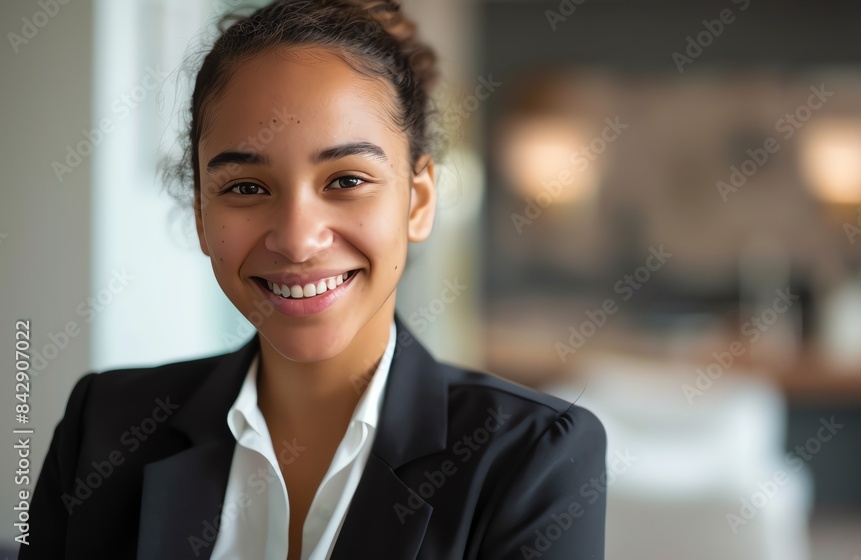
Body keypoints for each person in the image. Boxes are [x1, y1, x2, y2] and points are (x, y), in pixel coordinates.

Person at [20, 1, 608, 558]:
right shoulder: (103, 424)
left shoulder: (530, 456)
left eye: (346, 180)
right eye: (246, 188)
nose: (298, 240)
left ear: (418, 202)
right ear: (202, 215)